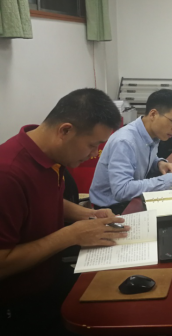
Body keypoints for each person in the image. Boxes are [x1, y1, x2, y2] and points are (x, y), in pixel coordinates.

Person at [0, 88, 130, 335]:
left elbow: (43, 200)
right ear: (65, 131)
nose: (94, 154)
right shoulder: (7, 174)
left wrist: (88, 215)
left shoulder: (50, 156)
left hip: (51, 273)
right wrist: (71, 235)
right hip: (20, 303)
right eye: (92, 145)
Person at [89, 89, 172, 213]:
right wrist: (171, 180)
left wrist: (158, 163)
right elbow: (121, 190)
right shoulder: (125, 141)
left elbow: (139, 159)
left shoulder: (152, 134)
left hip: (132, 199)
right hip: (113, 208)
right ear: (153, 114)